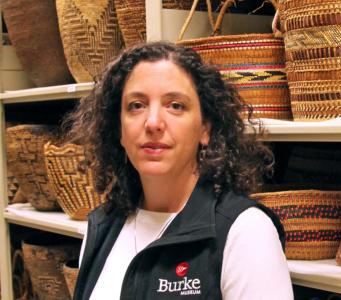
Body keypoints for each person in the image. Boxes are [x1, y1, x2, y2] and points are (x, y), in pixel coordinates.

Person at [66, 41, 293, 300]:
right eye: (136, 105)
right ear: (118, 130)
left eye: (175, 105)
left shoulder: (245, 232)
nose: (153, 122)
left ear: (205, 128)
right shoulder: (103, 227)